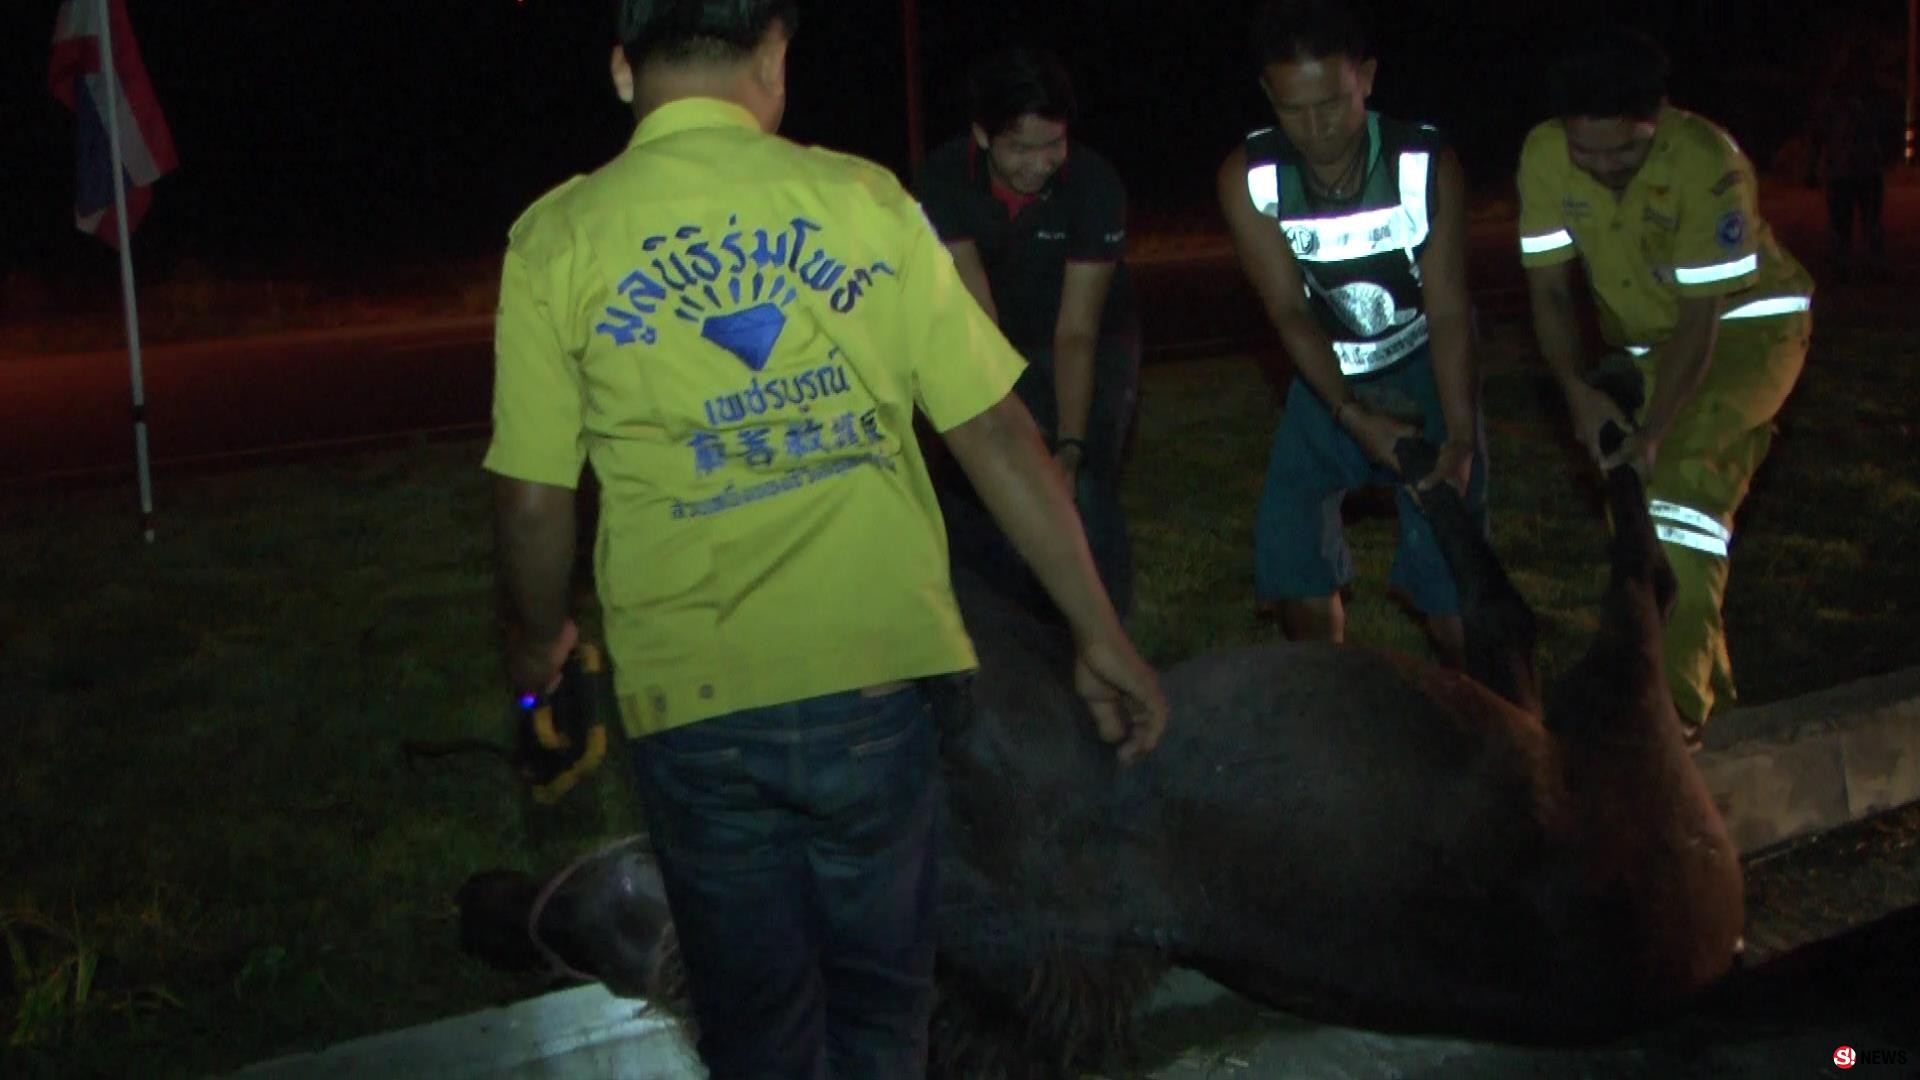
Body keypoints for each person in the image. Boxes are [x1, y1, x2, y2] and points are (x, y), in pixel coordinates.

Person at [481, 3, 1169, 1077]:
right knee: (883, 1015)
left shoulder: (556, 237)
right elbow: (995, 429)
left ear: (624, 72)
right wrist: (1097, 631)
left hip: (695, 698)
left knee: (757, 1024)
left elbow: (532, 504)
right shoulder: (862, 201)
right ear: (773, 58)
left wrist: (535, 647)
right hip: (874, 686)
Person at [1517, 25, 1814, 742]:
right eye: (1587, 151)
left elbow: (1701, 321)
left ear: (1661, 117)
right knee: (1636, 514)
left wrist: (1655, 431)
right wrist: (1576, 389)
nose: (1604, 168)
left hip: (1748, 329)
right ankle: (1717, 697)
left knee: (1680, 488)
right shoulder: (1546, 156)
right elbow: (1552, 295)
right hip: (1646, 342)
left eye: (1625, 149)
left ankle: (1671, 723)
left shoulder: (1707, 163)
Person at [1216, 0, 1485, 668]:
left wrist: (1457, 436)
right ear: (1268, 98)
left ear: (1365, 76)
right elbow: (1289, 312)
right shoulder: (1249, 180)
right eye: (1293, 110)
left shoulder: (1424, 164)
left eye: (1332, 103)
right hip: (1328, 374)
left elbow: (1450, 309)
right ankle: (1333, 692)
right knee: (1291, 548)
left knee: (1453, 579)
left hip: (1425, 362)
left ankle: (1483, 715)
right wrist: (1351, 413)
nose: (1316, 129)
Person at [912, 45, 1141, 622]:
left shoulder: (1093, 185)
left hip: (1089, 339)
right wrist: (1011, 432)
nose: (1041, 163)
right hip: (992, 331)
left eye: (1053, 144)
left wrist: (1067, 444)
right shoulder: (942, 180)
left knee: (1081, 487)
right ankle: (1007, 632)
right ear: (983, 136)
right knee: (980, 480)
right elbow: (977, 321)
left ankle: (1104, 634)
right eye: (1021, 147)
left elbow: (1077, 333)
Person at [1811, 53, 1891, 281]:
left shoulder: (1870, 100)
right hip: (1846, 169)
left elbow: (1884, 130)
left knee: (1868, 221)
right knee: (1844, 223)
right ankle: (1845, 265)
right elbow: (1821, 132)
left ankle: (1868, 265)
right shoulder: (1839, 101)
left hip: (1861, 168)